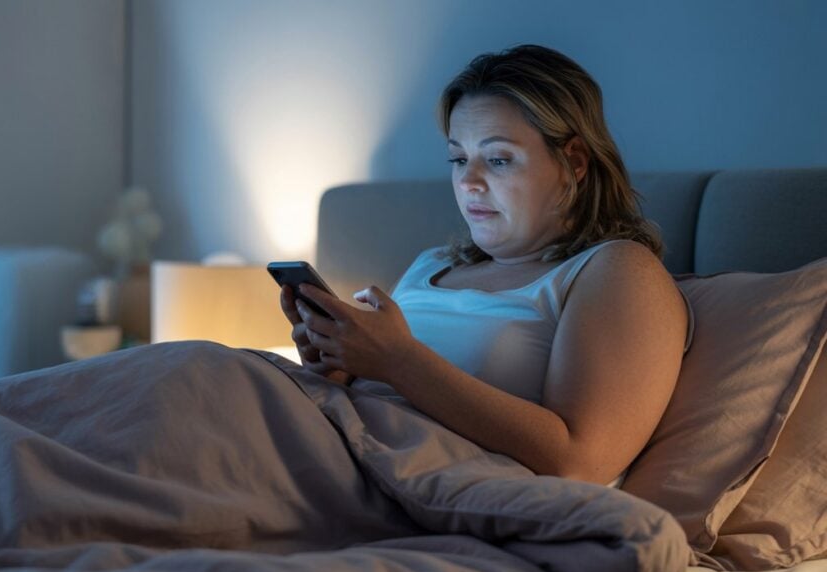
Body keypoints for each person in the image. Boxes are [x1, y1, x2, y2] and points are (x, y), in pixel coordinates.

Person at [280, 45, 690, 487]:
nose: (469, 182)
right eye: (459, 159)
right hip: (342, 457)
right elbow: (381, 394)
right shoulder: (430, 265)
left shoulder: (617, 270)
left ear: (573, 162)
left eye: (498, 159)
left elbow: (581, 463)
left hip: (422, 487)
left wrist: (399, 360)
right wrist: (339, 362)